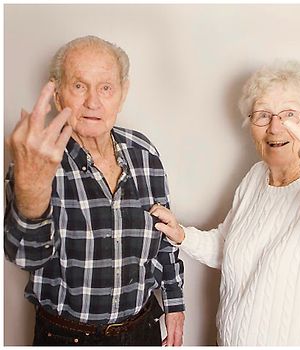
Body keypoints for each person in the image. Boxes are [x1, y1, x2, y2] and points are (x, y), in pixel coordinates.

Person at [148, 60, 300, 346]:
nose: (275, 127)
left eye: (289, 115)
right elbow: (227, 248)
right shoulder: (256, 177)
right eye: (263, 115)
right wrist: (181, 234)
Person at [4, 35, 185, 346]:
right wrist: (31, 188)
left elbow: (165, 238)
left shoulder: (144, 152)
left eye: (105, 88)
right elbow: (25, 256)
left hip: (142, 331)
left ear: (122, 93)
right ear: (58, 94)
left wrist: (175, 304)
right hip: (67, 337)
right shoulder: (39, 158)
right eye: (79, 86)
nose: (92, 102)